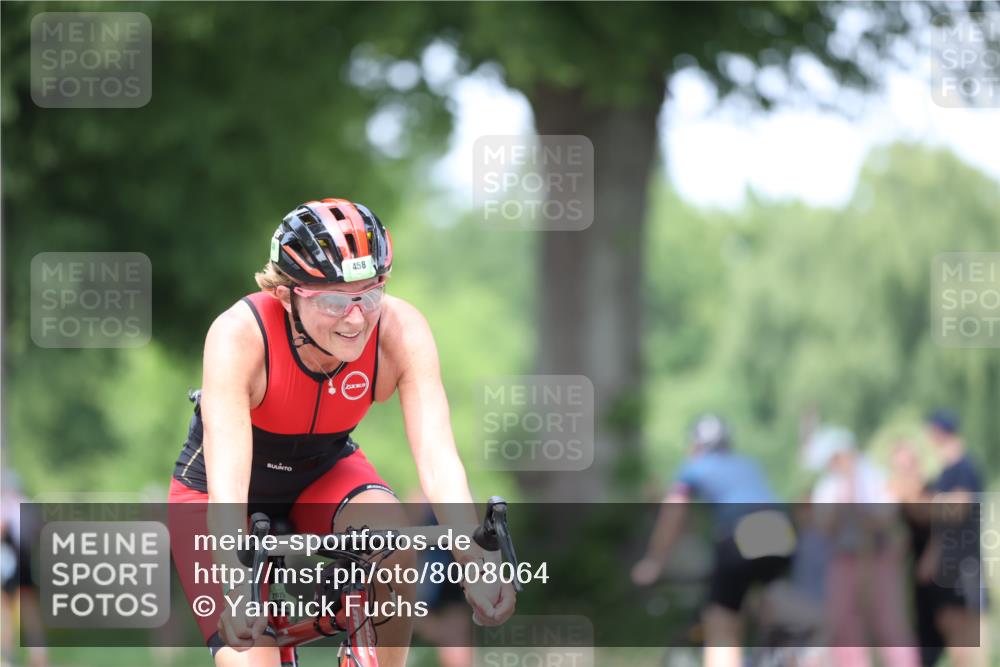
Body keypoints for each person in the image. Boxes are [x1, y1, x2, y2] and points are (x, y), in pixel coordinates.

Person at [167, 198, 515, 667]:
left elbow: (437, 457)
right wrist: (235, 584)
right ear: (288, 294)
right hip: (221, 491)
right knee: (252, 659)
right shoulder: (238, 336)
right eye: (334, 301)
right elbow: (229, 487)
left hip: (323, 471)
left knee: (396, 540)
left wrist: (474, 560)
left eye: (369, 295)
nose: (355, 319)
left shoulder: (400, 330)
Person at [631, 414, 793, 667]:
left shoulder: (694, 467)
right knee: (766, 600)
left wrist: (654, 562)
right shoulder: (747, 464)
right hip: (780, 528)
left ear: (696, 445)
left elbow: (672, 514)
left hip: (742, 529)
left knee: (721, 619)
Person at [807, 427, 918, 667]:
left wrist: (860, 504)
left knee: (890, 627)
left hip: (878, 558)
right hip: (844, 559)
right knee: (845, 628)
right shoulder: (827, 488)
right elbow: (824, 525)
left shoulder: (876, 479)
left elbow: (885, 517)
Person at [912, 409, 987, 667]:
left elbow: (959, 508)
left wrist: (925, 502)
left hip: (964, 563)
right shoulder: (945, 472)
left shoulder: (963, 468)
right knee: (955, 637)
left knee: (968, 637)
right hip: (948, 566)